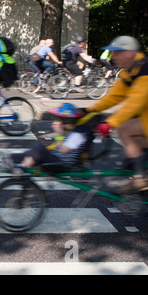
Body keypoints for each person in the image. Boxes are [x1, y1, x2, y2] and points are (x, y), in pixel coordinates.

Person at [84, 36, 148, 194]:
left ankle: (140, 179)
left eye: (117, 53)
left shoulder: (145, 69)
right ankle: (140, 179)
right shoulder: (129, 72)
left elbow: (137, 101)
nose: (113, 57)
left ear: (130, 53)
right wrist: (89, 110)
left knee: (125, 129)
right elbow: (113, 97)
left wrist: (111, 122)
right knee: (134, 146)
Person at [10, 103, 91, 172]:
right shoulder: (71, 130)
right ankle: (9, 158)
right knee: (30, 152)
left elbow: (63, 151)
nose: (56, 121)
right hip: (57, 158)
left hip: (63, 164)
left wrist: (59, 134)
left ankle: (22, 168)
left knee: (39, 148)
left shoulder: (78, 134)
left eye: (58, 119)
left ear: (66, 121)